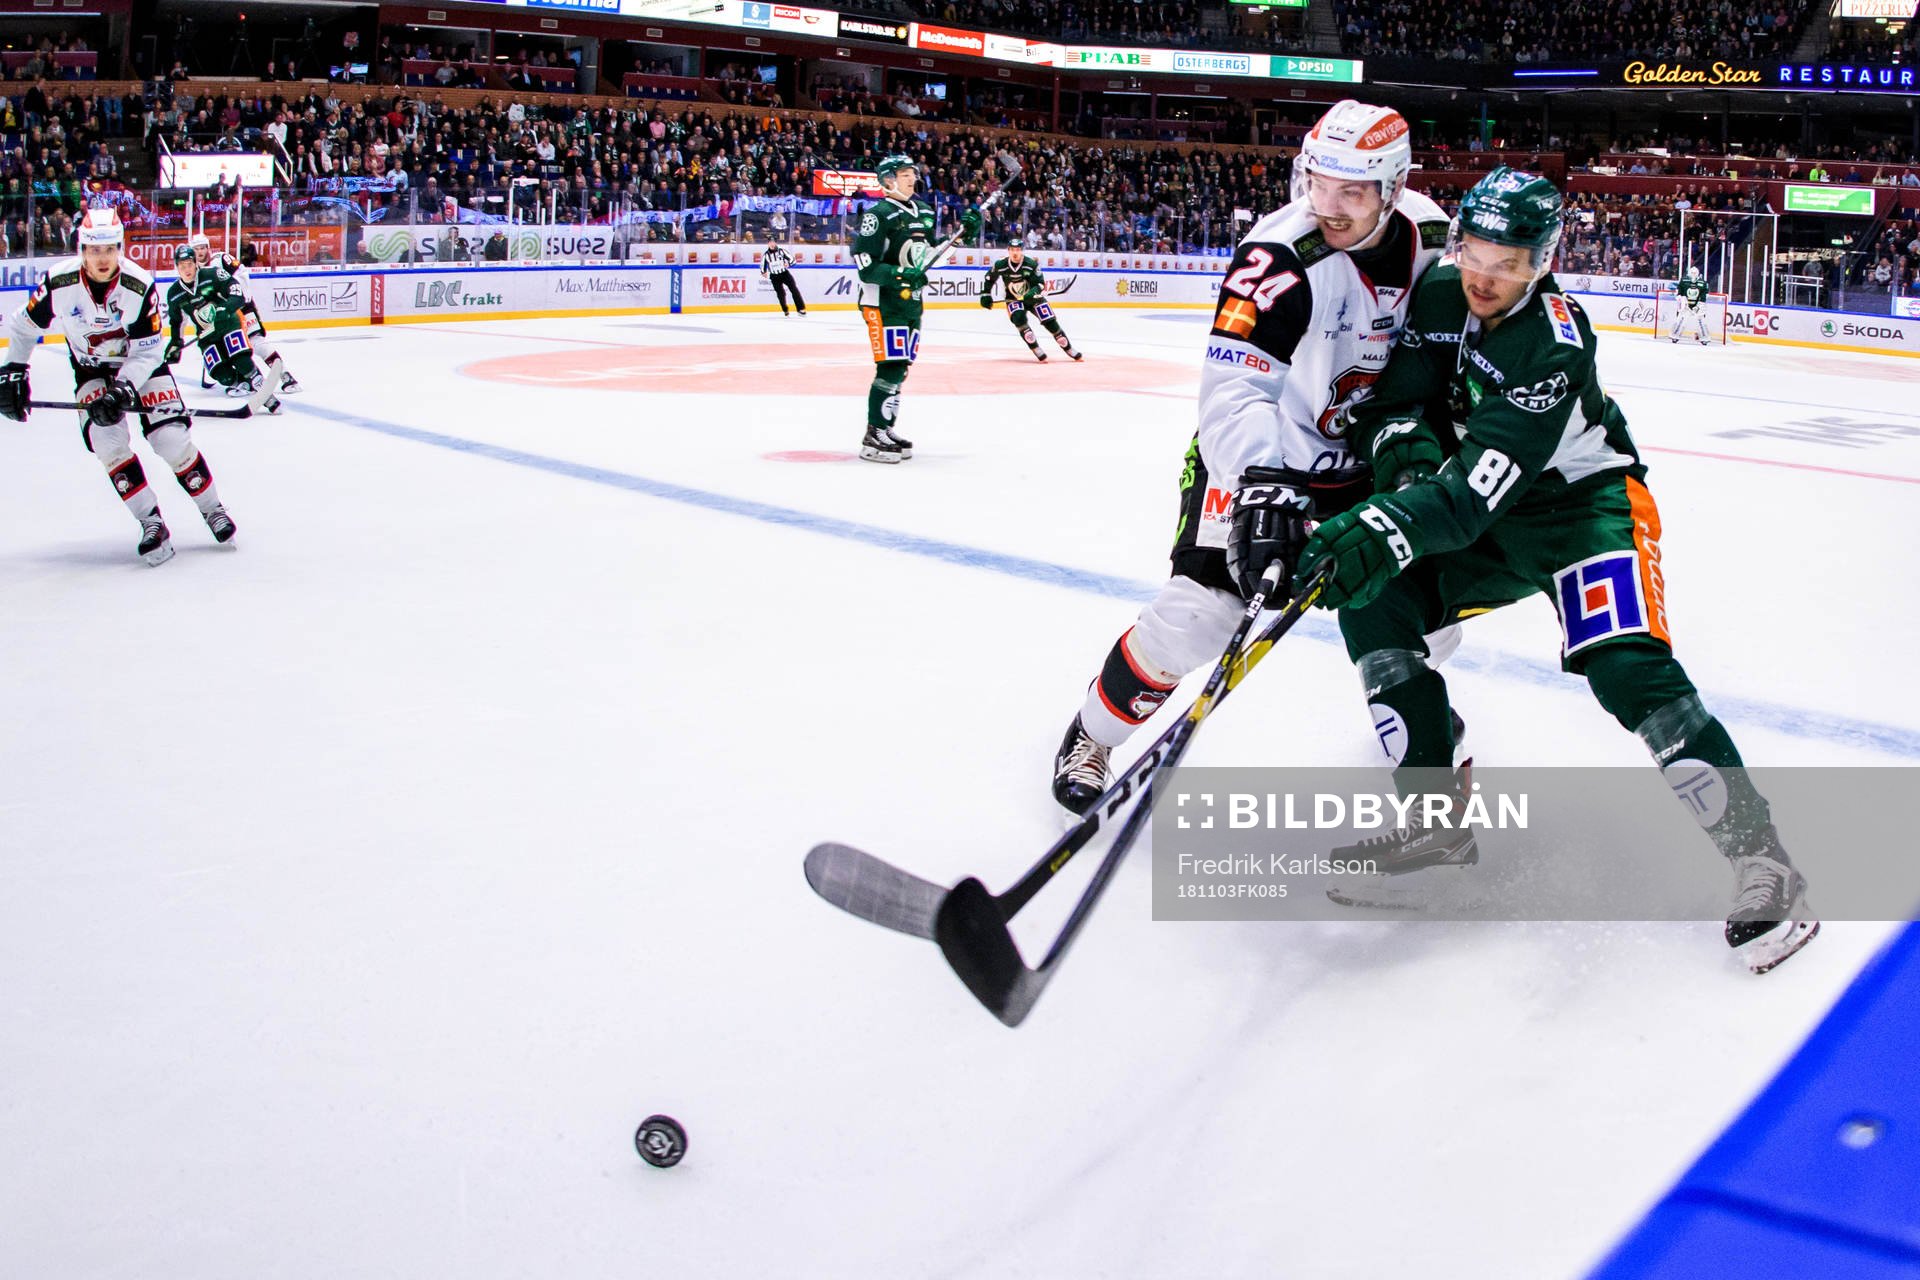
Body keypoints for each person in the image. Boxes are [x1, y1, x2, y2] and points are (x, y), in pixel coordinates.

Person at [1293, 166, 1819, 974]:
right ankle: (1436, 825)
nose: (1484, 277)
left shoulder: (1553, 344)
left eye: (1509, 263)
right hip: (1485, 503)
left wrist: (1394, 520)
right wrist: (1400, 480)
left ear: (1543, 262)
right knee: (1375, 602)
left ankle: (1764, 858)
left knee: (1627, 668)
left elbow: (1469, 501)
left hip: (1583, 511)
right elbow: (1402, 403)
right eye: (1475, 252)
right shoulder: (1440, 291)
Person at [1052, 100, 1454, 813]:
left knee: (1429, 612)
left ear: (1392, 190)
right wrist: (1264, 485)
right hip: (1265, 458)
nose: (1327, 204)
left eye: (1351, 191)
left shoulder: (1430, 236)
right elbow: (1234, 389)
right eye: (1317, 181)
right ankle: (1094, 732)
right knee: (1198, 618)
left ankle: (1406, 706)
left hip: (1364, 461)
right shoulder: (1277, 259)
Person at [0, 208, 236, 565]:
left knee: (170, 440)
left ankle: (211, 508)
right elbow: (22, 327)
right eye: (94, 250)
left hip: (140, 367)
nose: (102, 258)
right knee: (107, 442)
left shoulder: (138, 285)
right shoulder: (58, 282)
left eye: (109, 249)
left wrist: (124, 388)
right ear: (81, 250)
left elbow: (148, 348)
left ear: (119, 249)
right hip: (91, 369)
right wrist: (13, 370)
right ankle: (151, 522)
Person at [849, 154, 978, 463]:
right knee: (890, 366)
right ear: (887, 180)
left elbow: (930, 257)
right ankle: (873, 433)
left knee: (902, 366)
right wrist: (897, 274)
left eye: (913, 173)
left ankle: (886, 427)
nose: (912, 178)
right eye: (904, 173)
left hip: (911, 302)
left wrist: (962, 237)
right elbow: (865, 265)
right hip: (882, 301)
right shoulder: (877, 214)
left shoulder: (923, 210)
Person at [164, 244, 282, 416]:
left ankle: (265, 394)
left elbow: (237, 292)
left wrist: (225, 309)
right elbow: (176, 321)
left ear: (195, 263)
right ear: (176, 267)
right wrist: (175, 343)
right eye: (182, 266)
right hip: (207, 335)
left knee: (241, 359)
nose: (186, 269)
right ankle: (243, 383)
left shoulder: (211, 275)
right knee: (220, 373)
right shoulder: (174, 293)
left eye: (189, 264)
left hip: (227, 323)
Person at [189, 233, 300, 394]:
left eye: (202, 248)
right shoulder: (195, 272)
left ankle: (285, 375)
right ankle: (248, 380)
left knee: (257, 342)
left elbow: (241, 274)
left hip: (242, 307)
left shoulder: (221, 259)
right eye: (196, 249)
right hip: (224, 315)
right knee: (231, 347)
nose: (200, 252)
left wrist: (238, 299)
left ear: (208, 248)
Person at [978, 240, 1080, 362]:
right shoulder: (1001, 264)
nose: (1015, 253)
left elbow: (1040, 284)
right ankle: (1035, 348)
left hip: (1033, 297)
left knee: (1049, 321)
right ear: (1008, 251)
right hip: (1013, 298)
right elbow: (989, 278)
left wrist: (1032, 292)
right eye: (1012, 250)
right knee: (1019, 318)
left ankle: (1068, 348)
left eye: (1018, 250)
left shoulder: (1031, 264)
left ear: (1022, 251)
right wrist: (985, 294)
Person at [760, 238, 806, 316]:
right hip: (774, 276)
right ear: (768, 244)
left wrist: (788, 264)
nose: (772, 244)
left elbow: (793, 260)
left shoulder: (782, 251)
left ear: (776, 243)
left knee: (794, 289)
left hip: (785, 274)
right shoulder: (766, 255)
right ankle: (785, 310)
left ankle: (800, 309)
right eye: (770, 242)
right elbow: (762, 266)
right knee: (780, 294)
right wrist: (763, 272)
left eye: (773, 242)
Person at [1668, 269, 1713, 344]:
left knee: (1700, 320)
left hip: (1698, 305)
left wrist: (1699, 305)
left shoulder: (1703, 282)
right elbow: (1679, 291)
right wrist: (1681, 299)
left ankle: (1705, 337)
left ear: (1698, 273)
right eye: (1692, 272)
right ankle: (1675, 335)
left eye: (1695, 273)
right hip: (1686, 305)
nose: (1693, 274)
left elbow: (1705, 294)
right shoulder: (1684, 280)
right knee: (1681, 319)